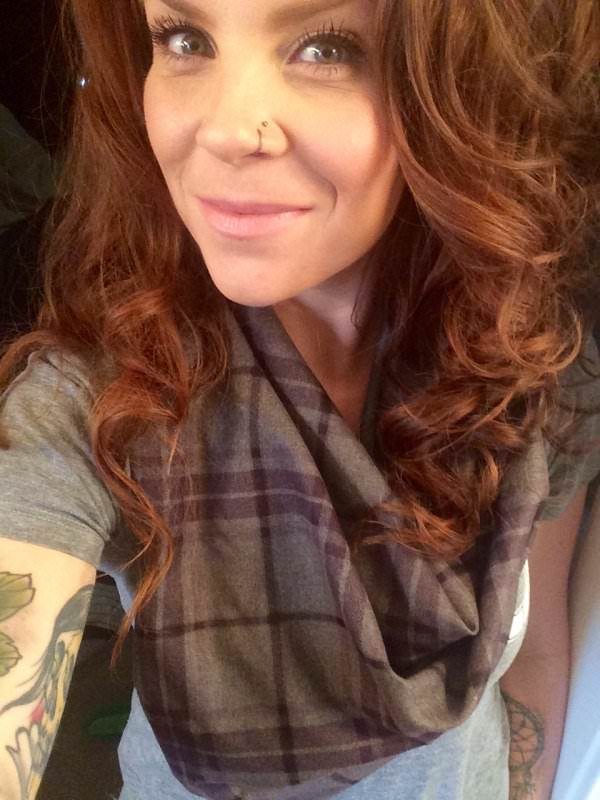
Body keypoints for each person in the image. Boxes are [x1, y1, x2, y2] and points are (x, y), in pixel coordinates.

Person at [0, 1, 599, 799]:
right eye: (185, 39)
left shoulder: (535, 363)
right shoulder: (101, 401)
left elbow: (538, 654)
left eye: (325, 48)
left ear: (464, 91)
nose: (223, 127)